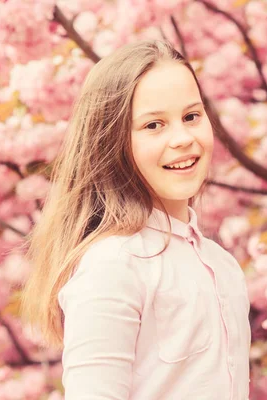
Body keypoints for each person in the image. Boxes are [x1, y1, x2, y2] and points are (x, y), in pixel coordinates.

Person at [20, 39, 251, 400]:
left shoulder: (223, 266)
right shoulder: (114, 265)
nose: (182, 139)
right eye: (153, 125)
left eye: (192, 116)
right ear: (113, 144)